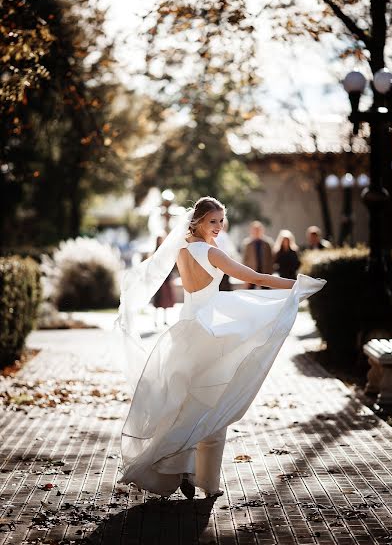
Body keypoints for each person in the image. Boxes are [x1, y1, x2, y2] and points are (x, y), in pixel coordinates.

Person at [116, 197, 326, 500]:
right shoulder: (211, 252)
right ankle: (207, 482)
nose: (218, 226)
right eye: (212, 221)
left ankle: (182, 468)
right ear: (198, 221)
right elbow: (254, 278)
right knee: (214, 406)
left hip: (185, 329)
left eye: (221, 221)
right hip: (210, 331)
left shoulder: (180, 250)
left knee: (185, 405)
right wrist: (299, 286)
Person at [151, 235, 176, 326]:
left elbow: (169, 265)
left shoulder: (166, 252)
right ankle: (155, 320)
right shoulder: (155, 253)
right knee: (157, 302)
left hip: (165, 279)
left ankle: (164, 320)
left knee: (165, 301)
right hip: (158, 280)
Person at [242, 221, 274, 289]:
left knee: (266, 293)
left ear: (262, 230)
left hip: (265, 273)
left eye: (258, 230)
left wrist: (270, 274)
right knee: (250, 293)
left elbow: (271, 260)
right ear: (251, 231)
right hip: (251, 273)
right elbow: (245, 260)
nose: (256, 231)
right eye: (255, 230)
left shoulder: (267, 243)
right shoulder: (247, 244)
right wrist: (245, 276)